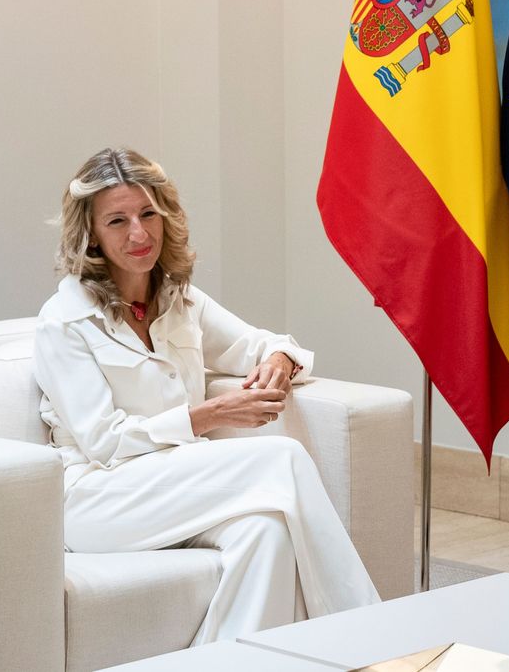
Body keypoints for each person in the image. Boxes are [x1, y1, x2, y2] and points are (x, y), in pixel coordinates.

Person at [33, 147, 379, 645]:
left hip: (177, 486)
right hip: (95, 500)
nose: (139, 233)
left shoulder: (180, 299)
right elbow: (103, 444)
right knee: (281, 459)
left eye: (148, 213)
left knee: (267, 534)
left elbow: (269, 343)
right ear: (90, 235)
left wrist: (279, 362)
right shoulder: (63, 321)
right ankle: (371, 638)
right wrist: (208, 415)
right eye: (117, 220)